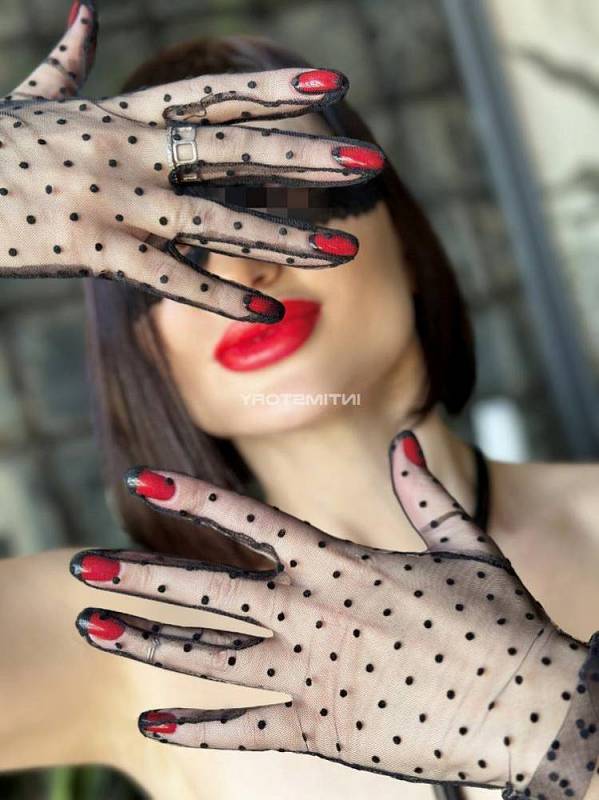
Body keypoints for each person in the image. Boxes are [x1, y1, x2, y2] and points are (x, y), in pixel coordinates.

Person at [1, 11, 598, 800]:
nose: (239, 268)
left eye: (286, 202)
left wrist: (565, 728)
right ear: (133, 341)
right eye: (171, 247)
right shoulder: (120, 634)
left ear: (405, 238)